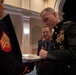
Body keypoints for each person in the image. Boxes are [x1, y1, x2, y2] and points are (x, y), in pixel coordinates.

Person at [0, 0, 34, 75]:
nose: (4, 7)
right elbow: (6, 60)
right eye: (1, 3)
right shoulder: (1, 26)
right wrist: (23, 68)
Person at [39, 7, 76, 75]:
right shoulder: (55, 33)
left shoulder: (69, 27)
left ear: (54, 15)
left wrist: (48, 54)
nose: (45, 23)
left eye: (46, 19)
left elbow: (73, 53)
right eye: (43, 21)